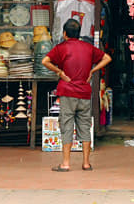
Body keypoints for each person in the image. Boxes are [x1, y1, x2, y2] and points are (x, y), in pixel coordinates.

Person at [42, 19, 112, 172]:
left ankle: (66, 163)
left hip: (67, 92)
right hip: (84, 93)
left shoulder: (61, 48)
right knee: (85, 126)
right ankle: (86, 163)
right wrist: (92, 71)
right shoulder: (88, 47)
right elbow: (107, 58)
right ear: (79, 33)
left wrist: (59, 72)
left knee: (67, 125)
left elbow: (45, 61)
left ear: (64, 33)